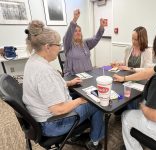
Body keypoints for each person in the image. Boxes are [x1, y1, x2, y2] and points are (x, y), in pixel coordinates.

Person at [23, 20, 104, 150]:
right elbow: (58, 109)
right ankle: (94, 142)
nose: (60, 48)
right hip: (52, 124)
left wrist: (67, 83)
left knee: (81, 97)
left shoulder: (33, 61)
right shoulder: (45, 72)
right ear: (47, 46)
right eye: (58, 45)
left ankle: (76, 134)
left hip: (39, 118)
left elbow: (46, 87)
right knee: (96, 104)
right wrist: (80, 100)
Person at [63, 9, 106, 76]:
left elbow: (96, 38)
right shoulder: (68, 44)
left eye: (79, 31)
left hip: (88, 75)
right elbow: (68, 35)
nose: (78, 33)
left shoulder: (85, 43)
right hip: (73, 78)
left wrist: (101, 27)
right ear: (72, 33)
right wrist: (75, 19)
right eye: (75, 31)